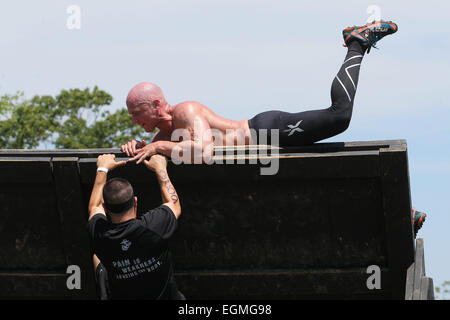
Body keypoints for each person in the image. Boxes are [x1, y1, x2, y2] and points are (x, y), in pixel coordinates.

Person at [120, 20, 399, 163]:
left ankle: (356, 43)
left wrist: (157, 146)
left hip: (267, 130)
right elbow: (164, 150)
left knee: (339, 117)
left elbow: (203, 150)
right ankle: (402, 212)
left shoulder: (185, 110)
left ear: (157, 104)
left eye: (136, 113)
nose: (134, 120)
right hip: (267, 147)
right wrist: (137, 147)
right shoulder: (165, 135)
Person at [86, 153, 185, 300]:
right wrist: (160, 168)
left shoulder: (99, 234)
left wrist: (102, 168)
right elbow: (174, 205)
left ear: (105, 208)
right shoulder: (153, 226)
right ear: (136, 202)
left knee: (97, 258)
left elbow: (94, 207)